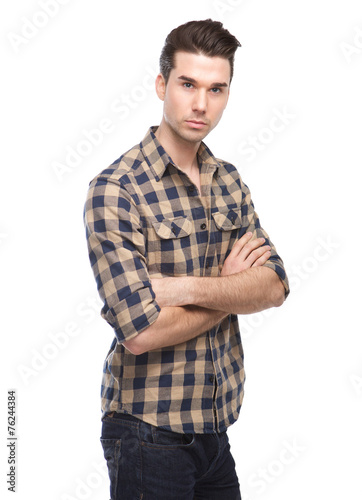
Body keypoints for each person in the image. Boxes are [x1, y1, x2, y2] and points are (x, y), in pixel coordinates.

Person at [84, 18, 289, 500]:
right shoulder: (116, 190)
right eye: (188, 84)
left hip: (216, 432)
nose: (201, 104)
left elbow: (275, 285)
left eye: (217, 89)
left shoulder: (229, 181)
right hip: (146, 434)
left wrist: (183, 288)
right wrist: (231, 291)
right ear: (162, 85)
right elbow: (140, 332)